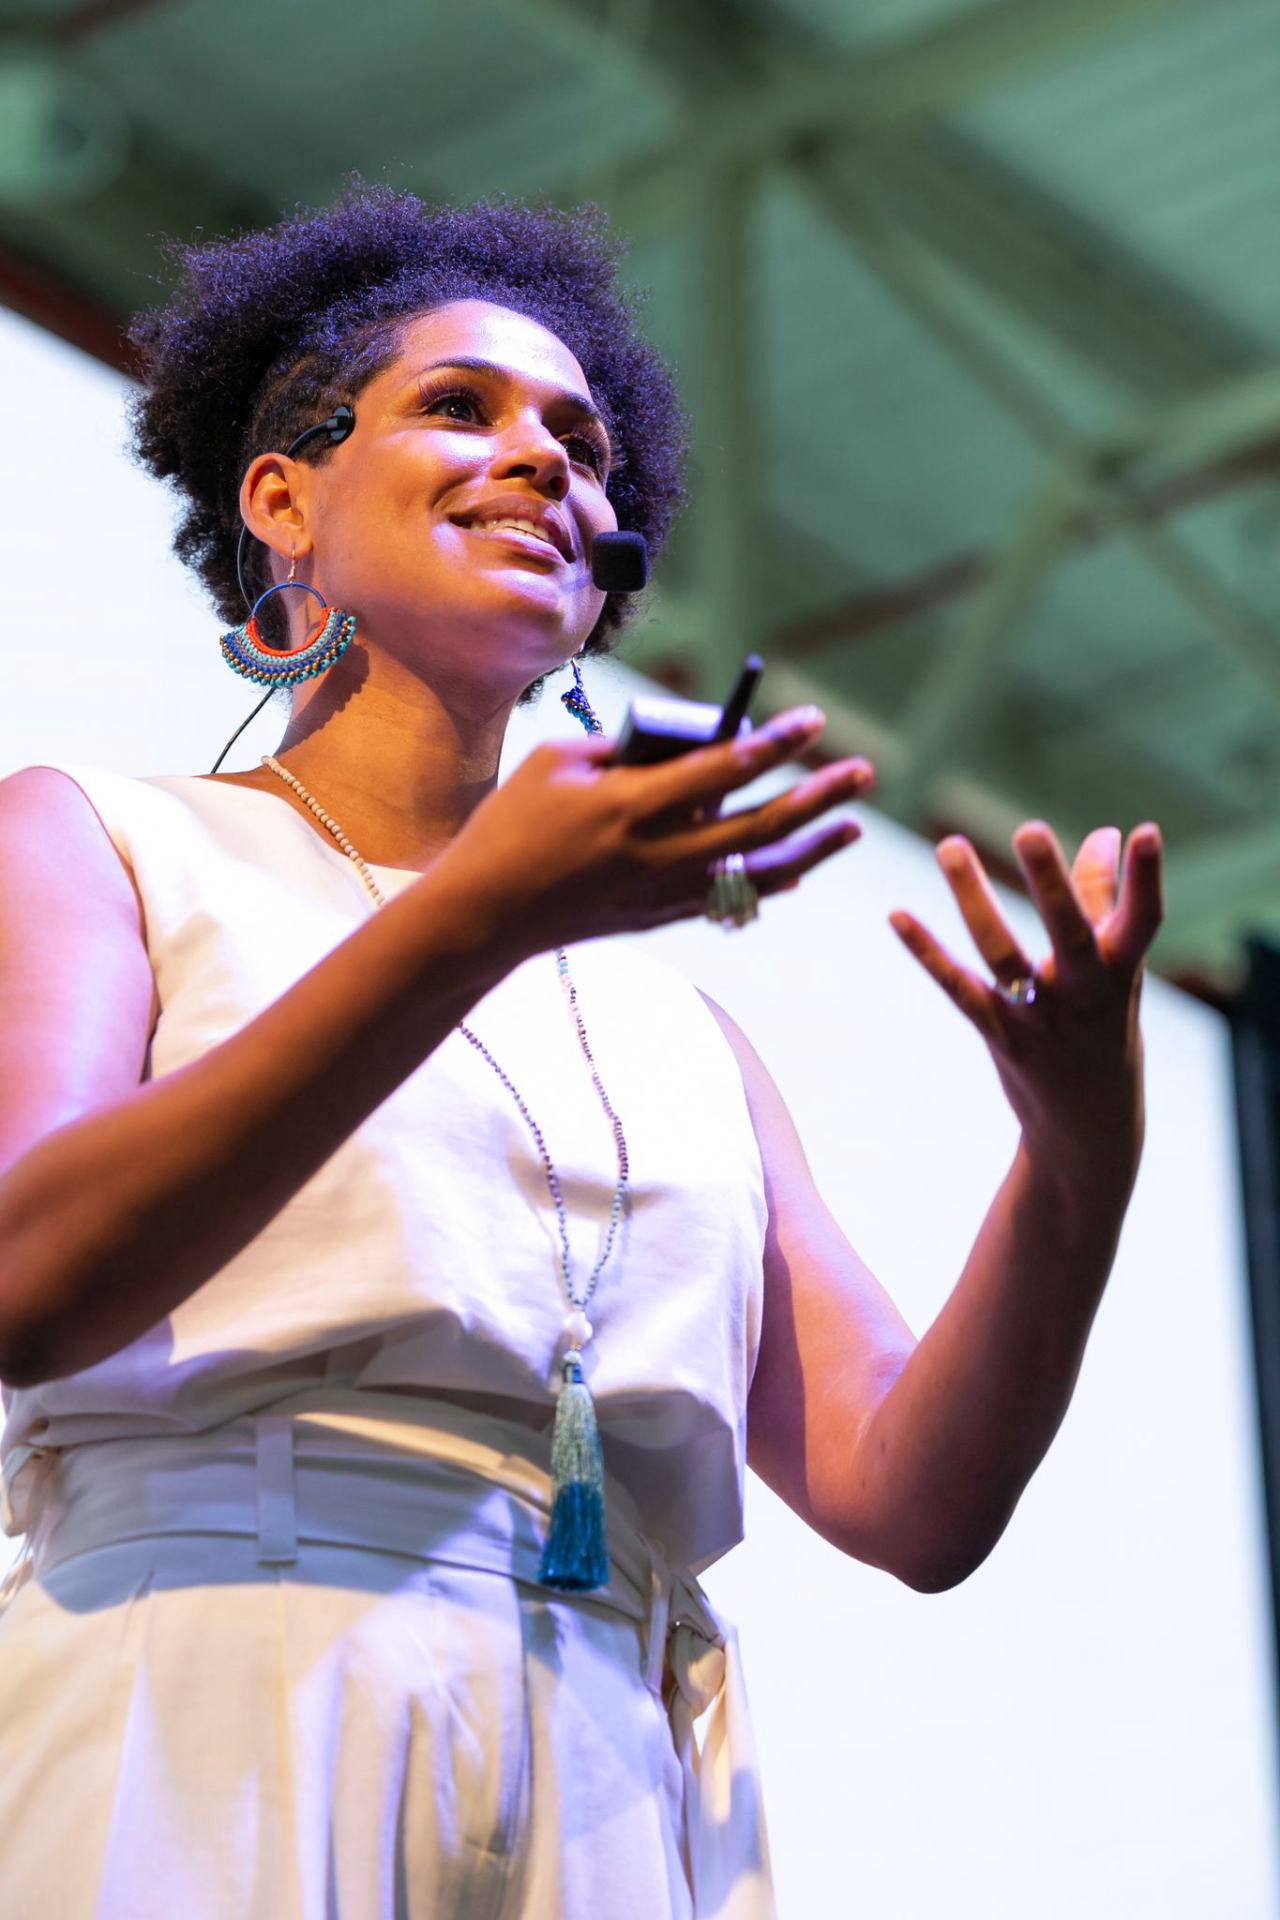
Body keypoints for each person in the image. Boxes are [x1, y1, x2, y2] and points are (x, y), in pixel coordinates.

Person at [0, 186, 1164, 1919]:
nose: (546, 462)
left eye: (584, 445)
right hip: (213, 1668)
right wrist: (473, 918)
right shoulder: (99, 838)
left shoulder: (675, 1024)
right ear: (283, 506)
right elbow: (24, 1276)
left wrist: (1082, 1147)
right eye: (458, 407)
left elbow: (911, 1499)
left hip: (616, 1755)